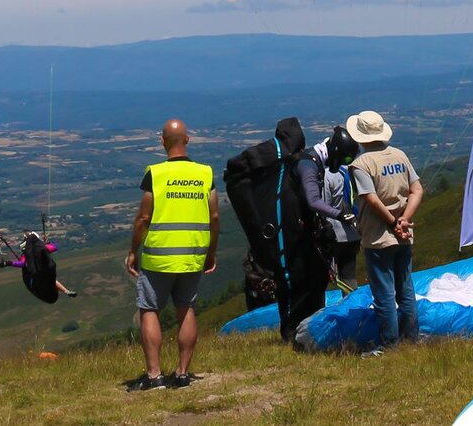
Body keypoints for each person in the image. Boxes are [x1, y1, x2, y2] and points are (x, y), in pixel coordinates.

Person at [125, 119, 218, 391]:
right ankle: (182, 374)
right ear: (187, 140)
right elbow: (213, 215)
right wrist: (211, 252)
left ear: (162, 141)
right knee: (186, 308)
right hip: (192, 253)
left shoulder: (155, 173)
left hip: (158, 255)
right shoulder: (205, 173)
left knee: (150, 309)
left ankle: (154, 376)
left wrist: (133, 251)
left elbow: (144, 217)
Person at [223, 117, 326, 343]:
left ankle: (299, 330)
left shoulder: (273, 166)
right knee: (293, 281)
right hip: (288, 238)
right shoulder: (282, 165)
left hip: (286, 237)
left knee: (296, 281)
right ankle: (293, 333)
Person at [347, 110, 424, 356]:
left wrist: (392, 223)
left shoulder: (361, 164)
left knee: (384, 293)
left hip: (379, 236)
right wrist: (404, 220)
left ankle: (389, 345)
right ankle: (412, 338)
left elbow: (371, 199)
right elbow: (417, 190)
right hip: (404, 233)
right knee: (406, 288)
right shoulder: (400, 155)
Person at [295, 126, 361, 293]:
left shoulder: (321, 171)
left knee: (325, 278)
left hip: (334, 234)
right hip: (353, 232)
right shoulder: (347, 172)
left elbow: (319, 203)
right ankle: (354, 309)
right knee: (349, 276)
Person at [0, 231, 77, 300]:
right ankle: (66, 291)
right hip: (33, 278)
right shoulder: (34, 251)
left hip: (34, 277)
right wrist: (47, 244)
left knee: (50, 279)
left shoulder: (27, 253)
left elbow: (22, 263)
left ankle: (66, 291)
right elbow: (54, 247)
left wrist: (8, 263)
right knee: (50, 279)